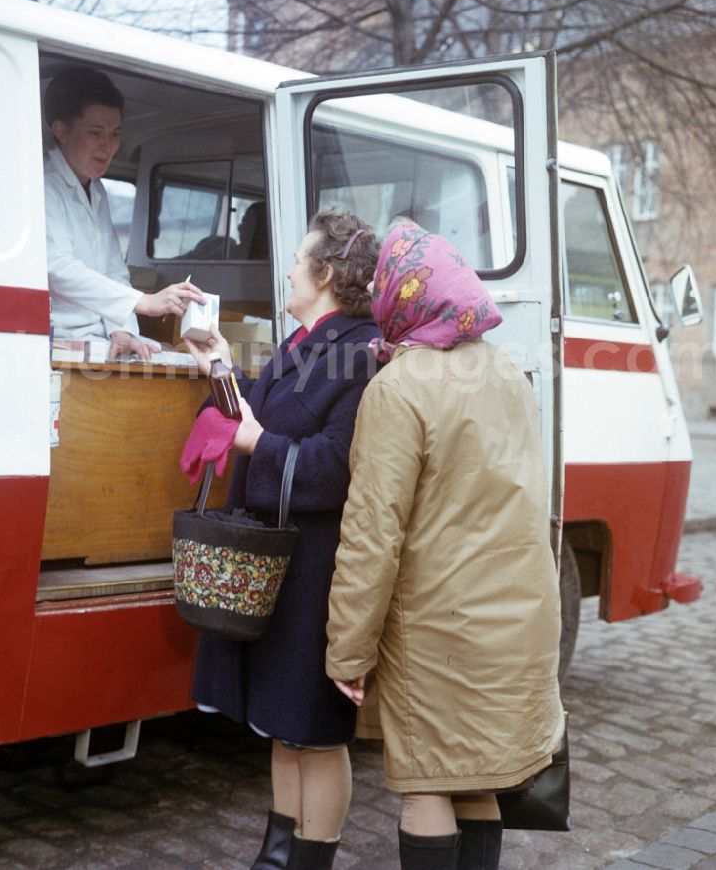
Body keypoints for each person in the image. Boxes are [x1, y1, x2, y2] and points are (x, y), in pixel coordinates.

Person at [325, 221, 564, 870]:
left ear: (403, 298)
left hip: (439, 629)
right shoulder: (510, 373)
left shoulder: (398, 388)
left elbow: (372, 532)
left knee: (427, 780)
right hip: (517, 619)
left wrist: (348, 648)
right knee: (478, 775)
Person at [183, 209, 380, 870]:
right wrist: (218, 364)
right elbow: (256, 418)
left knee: (316, 732)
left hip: (318, 572)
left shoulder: (360, 351)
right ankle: (276, 856)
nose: (289, 268)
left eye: (299, 258)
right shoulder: (302, 342)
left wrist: (258, 442)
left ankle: (308, 861)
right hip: (280, 564)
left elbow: (335, 465)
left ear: (324, 273)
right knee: (281, 722)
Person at [43, 66, 204, 360]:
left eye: (115, 134)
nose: (108, 146)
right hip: (60, 342)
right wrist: (142, 301)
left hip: (99, 339)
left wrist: (122, 330)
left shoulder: (97, 189)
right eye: (96, 133)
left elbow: (113, 270)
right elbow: (57, 269)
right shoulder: (43, 185)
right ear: (61, 130)